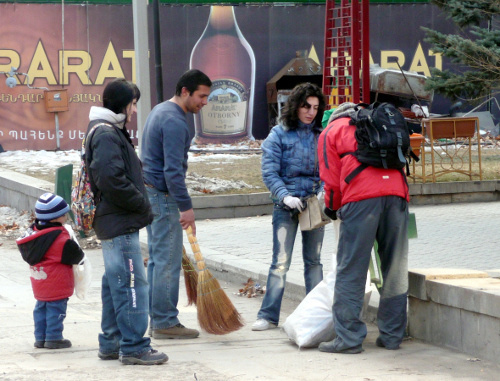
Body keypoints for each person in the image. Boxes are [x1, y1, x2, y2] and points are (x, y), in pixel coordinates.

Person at [85, 78, 167, 365]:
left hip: (114, 221)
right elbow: (111, 179)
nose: (134, 109)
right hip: (119, 222)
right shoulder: (107, 133)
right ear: (123, 105)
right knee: (132, 284)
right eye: (133, 103)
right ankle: (134, 346)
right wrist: (141, 203)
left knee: (115, 283)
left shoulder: (105, 129)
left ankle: (112, 341)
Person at [317, 102, 409, 354]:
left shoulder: (331, 131)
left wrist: (332, 208)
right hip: (398, 195)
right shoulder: (378, 124)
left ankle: (348, 339)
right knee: (395, 267)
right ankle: (392, 336)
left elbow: (331, 180)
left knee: (352, 269)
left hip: (361, 199)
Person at [140, 69, 212, 339]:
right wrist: (186, 207)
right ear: (185, 91)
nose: (204, 102)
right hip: (163, 196)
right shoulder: (174, 121)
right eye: (201, 96)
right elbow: (172, 171)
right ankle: (164, 322)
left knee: (159, 261)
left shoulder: (160, 110)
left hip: (151, 194)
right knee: (168, 261)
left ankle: (157, 318)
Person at [252, 82, 326, 331]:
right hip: (286, 208)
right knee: (280, 262)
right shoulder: (279, 134)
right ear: (295, 106)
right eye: (306, 106)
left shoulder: (321, 134)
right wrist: (284, 196)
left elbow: (329, 167)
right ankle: (268, 316)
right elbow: (269, 171)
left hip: (313, 206)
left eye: (316, 107)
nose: (311, 112)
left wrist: (325, 190)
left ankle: (317, 314)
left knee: (314, 262)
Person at [17, 193, 84, 349]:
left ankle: (40, 337)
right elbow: (77, 256)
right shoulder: (59, 239)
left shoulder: (33, 235)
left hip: (40, 282)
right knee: (56, 310)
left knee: (40, 308)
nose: (66, 216)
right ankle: (54, 337)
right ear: (56, 218)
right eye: (64, 214)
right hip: (57, 282)